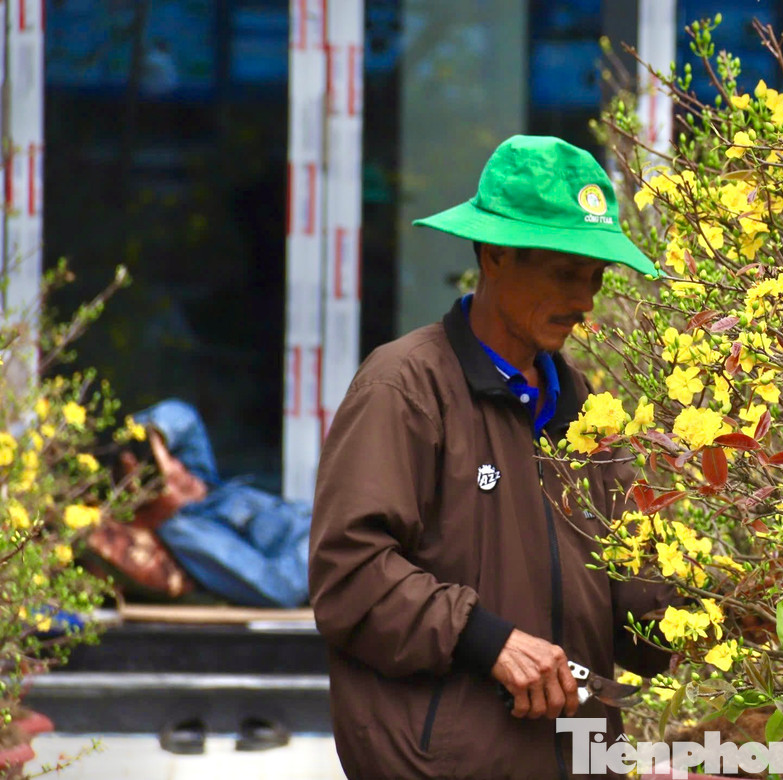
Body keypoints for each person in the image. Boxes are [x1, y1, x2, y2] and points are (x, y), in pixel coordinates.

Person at [309, 135, 677, 779]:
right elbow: (350, 573)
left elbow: (630, 600)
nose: (585, 300)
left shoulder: (584, 408)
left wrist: (718, 611)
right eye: (566, 273)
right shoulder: (405, 387)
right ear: (496, 255)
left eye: (594, 277)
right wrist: (489, 639)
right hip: (443, 765)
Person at [100, 399, 311, 609]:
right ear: (150, 508)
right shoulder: (190, 531)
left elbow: (185, 419)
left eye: (169, 458)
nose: (176, 470)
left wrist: (150, 434)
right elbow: (283, 588)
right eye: (161, 480)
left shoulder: (197, 479)